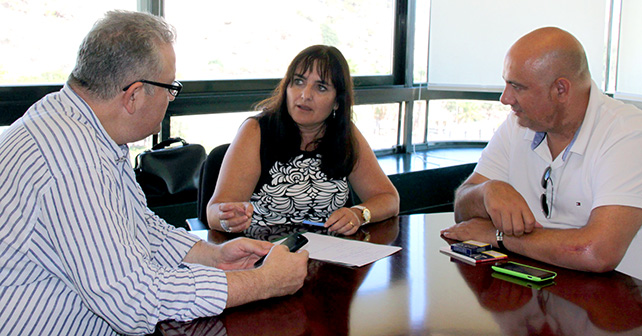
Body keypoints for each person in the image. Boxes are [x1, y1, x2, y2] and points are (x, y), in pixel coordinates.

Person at [0, 11, 308, 335]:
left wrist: (212, 256)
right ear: (133, 95)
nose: (171, 99)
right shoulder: (74, 163)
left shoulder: (74, 122)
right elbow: (133, 300)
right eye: (170, 88)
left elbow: (140, 227)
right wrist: (264, 282)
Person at [441, 27, 642, 274]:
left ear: (561, 89)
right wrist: (487, 191)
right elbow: (462, 209)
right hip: (536, 285)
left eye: (517, 87)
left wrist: (499, 237)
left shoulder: (629, 133)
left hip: (616, 300)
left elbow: (597, 252)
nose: (505, 98)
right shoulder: (518, 124)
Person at [206, 45, 400, 238]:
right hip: (263, 255)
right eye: (298, 82)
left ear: (337, 101)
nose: (305, 95)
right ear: (286, 87)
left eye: (321, 87)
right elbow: (214, 212)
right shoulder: (256, 131)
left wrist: (359, 214)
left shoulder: (345, 133)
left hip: (331, 256)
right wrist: (228, 219)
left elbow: (389, 199)